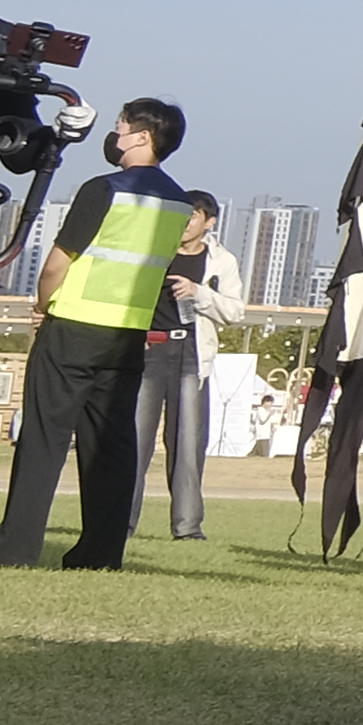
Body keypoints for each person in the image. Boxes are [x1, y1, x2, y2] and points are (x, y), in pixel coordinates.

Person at [0, 96, 215, 572]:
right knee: (111, 446)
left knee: (44, 440)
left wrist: (43, 305)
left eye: (120, 126)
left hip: (73, 325)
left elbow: (57, 264)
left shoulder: (104, 188)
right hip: (129, 333)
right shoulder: (177, 203)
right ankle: (101, 553)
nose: (114, 134)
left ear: (142, 137)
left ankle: (15, 551)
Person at [137, 196, 236, 538]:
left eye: (192, 216)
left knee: (188, 443)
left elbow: (235, 312)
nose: (185, 222)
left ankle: (187, 526)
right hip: (148, 349)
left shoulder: (221, 262)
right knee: (135, 441)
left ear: (209, 222)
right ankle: (121, 521)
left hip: (192, 353)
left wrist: (199, 293)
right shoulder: (153, 251)